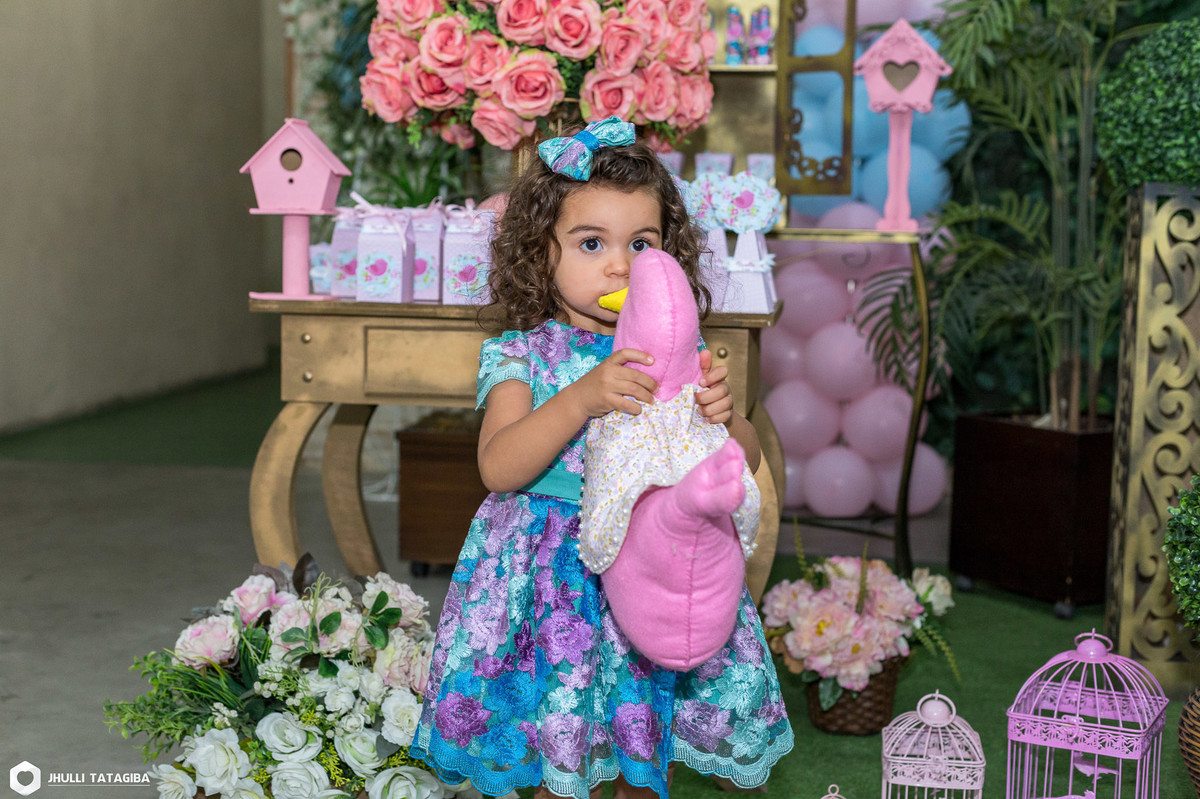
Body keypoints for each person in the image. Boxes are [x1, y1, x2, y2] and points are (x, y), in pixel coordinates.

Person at [410, 116, 794, 799]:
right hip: (551, 579)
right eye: (592, 243)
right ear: (541, 253)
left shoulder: (673, 353)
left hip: (649, 564)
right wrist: (580, 397)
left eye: (641, 243)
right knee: (558, 757)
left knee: (644, 752)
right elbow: (499, 467)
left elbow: (743, 461)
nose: (621, 265)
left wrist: (725, 417)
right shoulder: (522, 354)